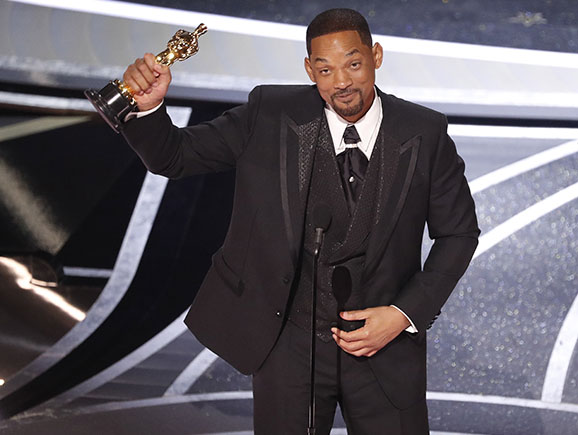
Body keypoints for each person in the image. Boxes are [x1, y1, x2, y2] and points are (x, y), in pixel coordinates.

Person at [120, 8, 479, 434]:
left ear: (376, 56)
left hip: (384, 346)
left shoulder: (425, 132)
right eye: (325, 69)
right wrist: (148, 108)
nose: (341, 82)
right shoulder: (269, 113)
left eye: (353, 64)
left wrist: (402, 314)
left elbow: (458, 234)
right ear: (310, 70)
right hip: (289, 344)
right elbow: (174, 156)